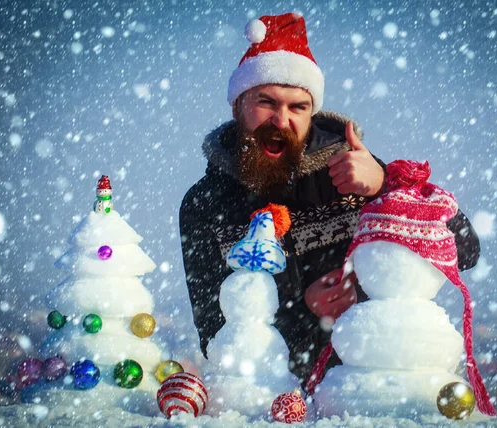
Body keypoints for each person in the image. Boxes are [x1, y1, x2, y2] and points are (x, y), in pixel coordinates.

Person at [179, 12, 480, 387]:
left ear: (312, 112)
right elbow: (216, 332)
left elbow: (464, 250)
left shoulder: (355, 174)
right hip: (266, 398)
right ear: (237, 104)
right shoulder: (206, 204)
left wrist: (386, 185)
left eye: (297, 107)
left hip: (372, 388)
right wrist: (304, 313)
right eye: (266, 102)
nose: (281, 120)